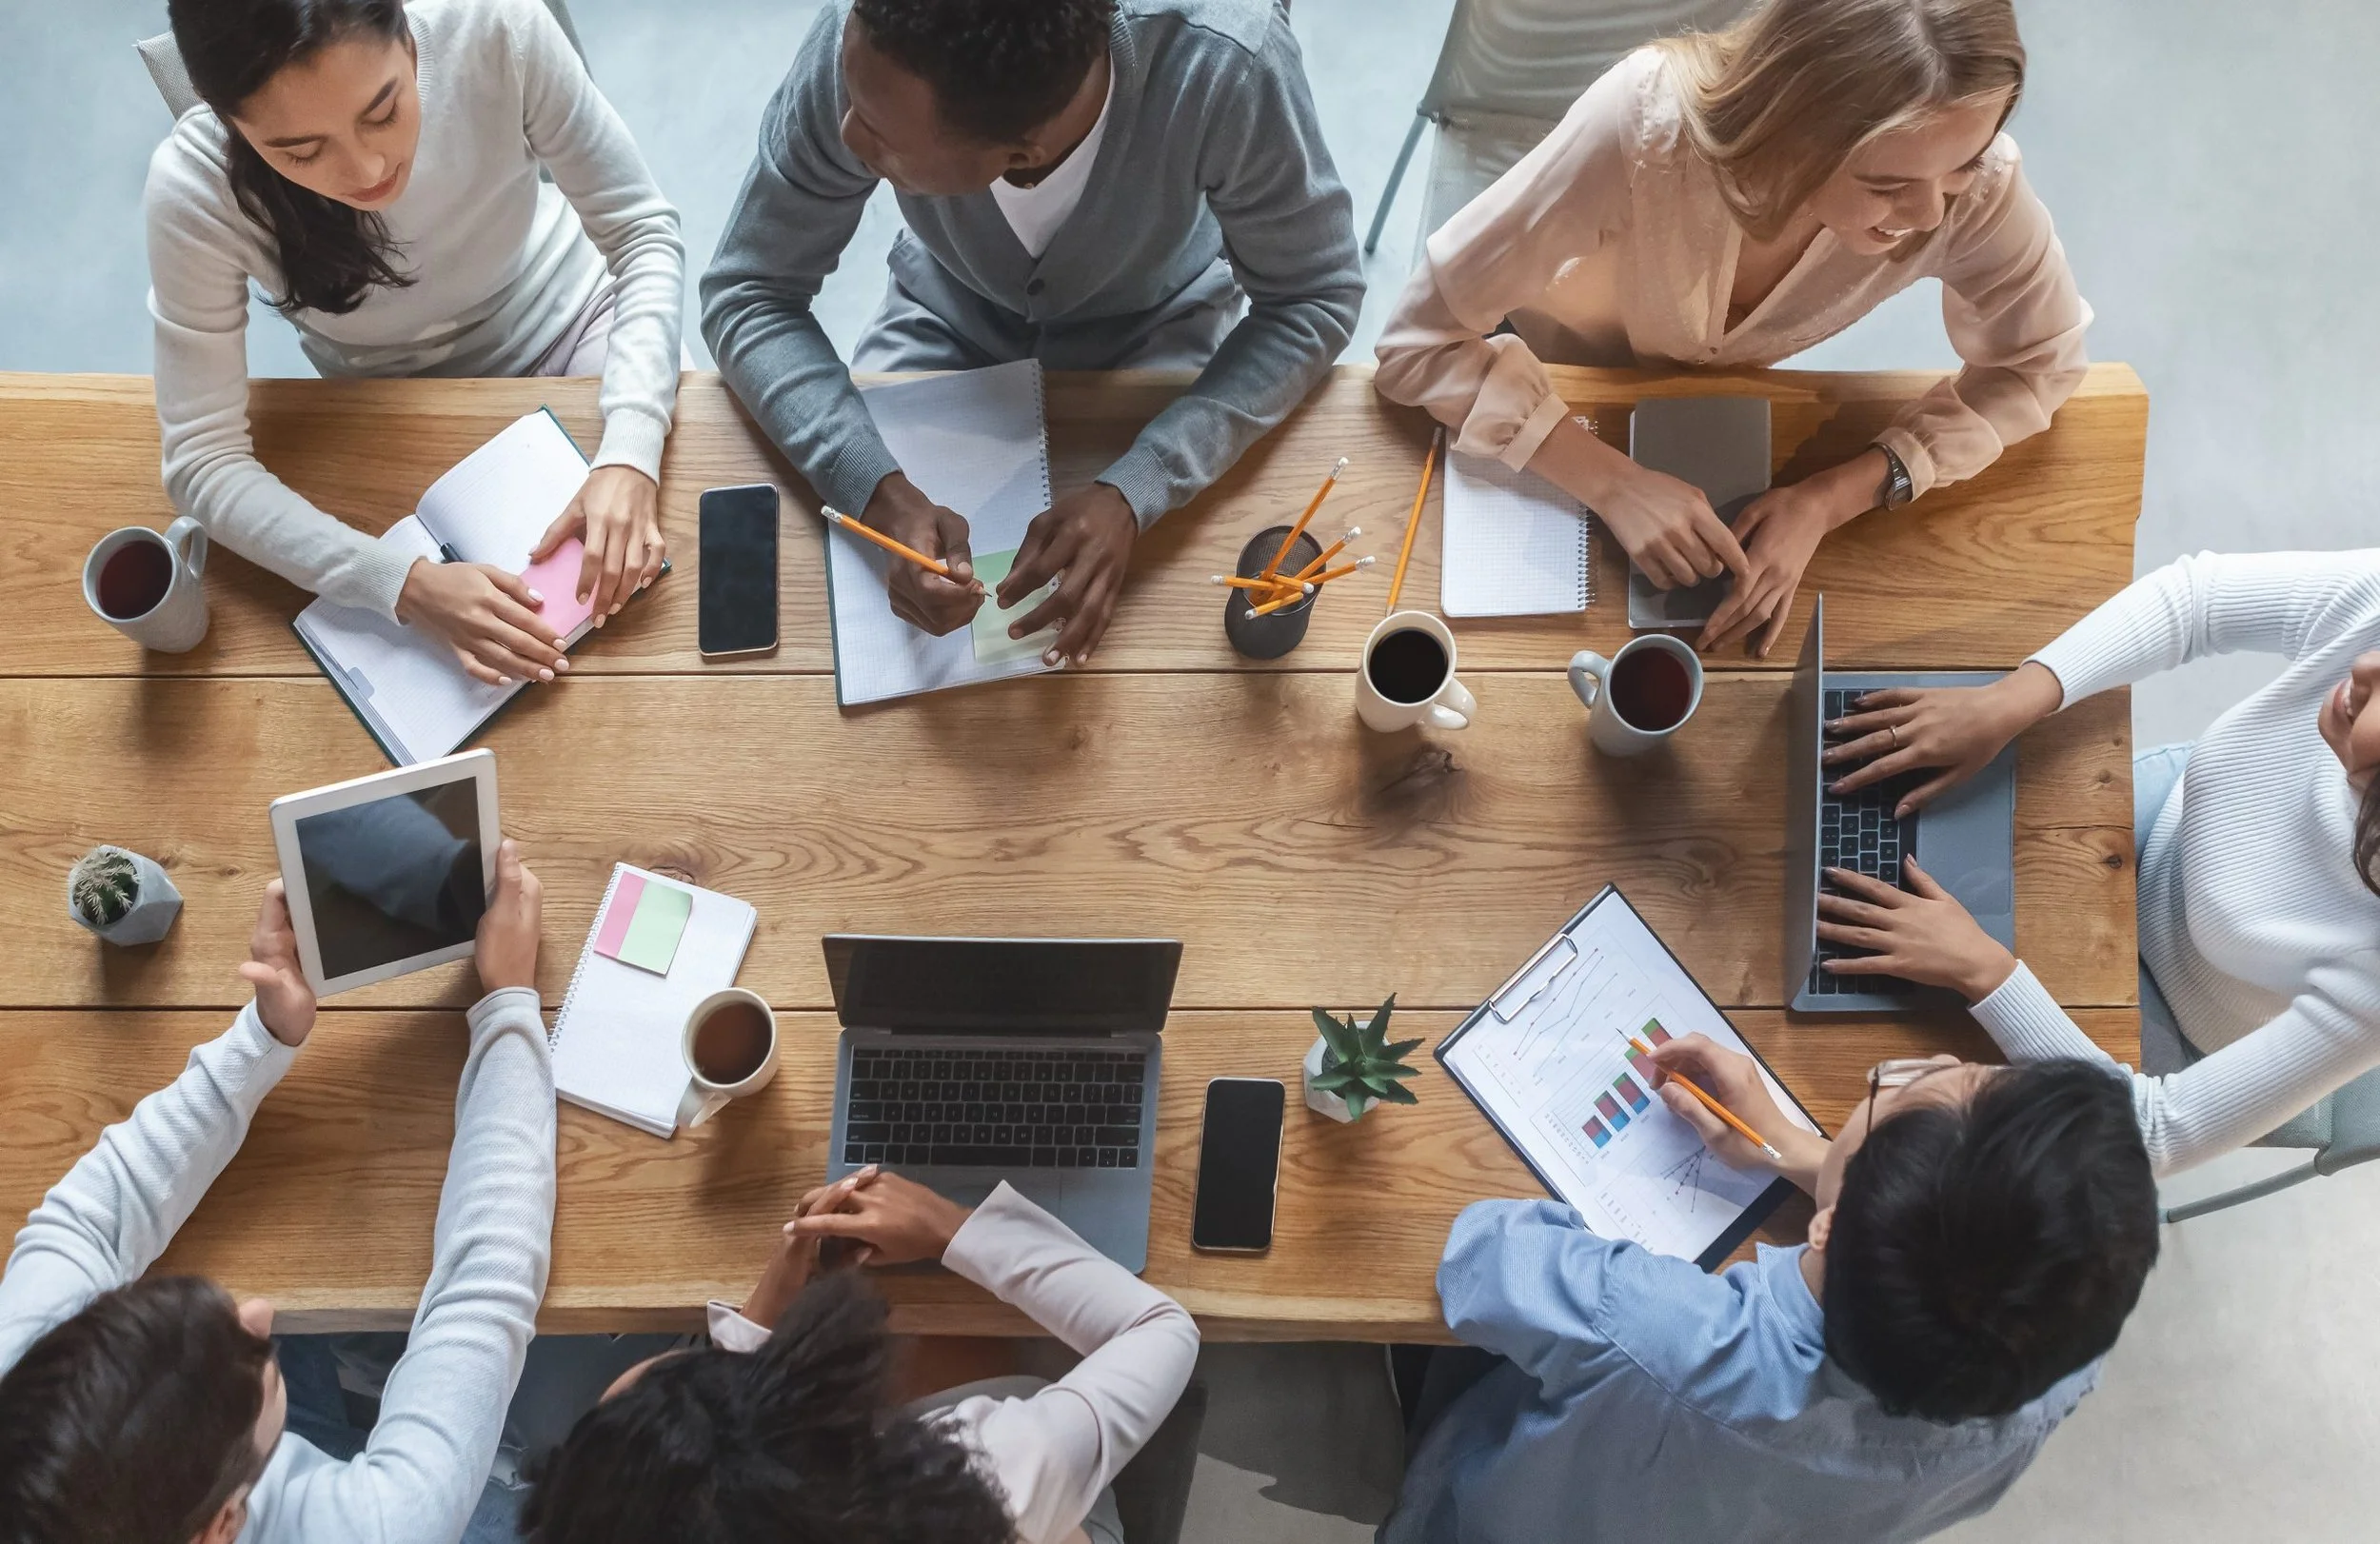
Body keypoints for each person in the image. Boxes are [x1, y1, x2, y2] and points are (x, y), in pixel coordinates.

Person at [1372, 0, 2091, 656]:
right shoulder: (1641, 128)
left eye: (1961, 166)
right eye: (1886, 185)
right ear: (1793, 130)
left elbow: (2044, 364)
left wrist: (1835, 496)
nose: (1931, 216)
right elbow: (1414, 346)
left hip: (1712, 419)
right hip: (1541, 376)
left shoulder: (1977, 187)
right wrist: (1612, 484)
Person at [704, 0, 1363, 667]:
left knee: (1156, 643)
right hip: (947, 306)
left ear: (1022, 153)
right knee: (889, 643)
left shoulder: (1228, 66)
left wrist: (1141, 484)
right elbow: (749, 293)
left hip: (1160, 321)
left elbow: (1314, 297)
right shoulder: (871, 40)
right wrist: (875, 492)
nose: (845, 135)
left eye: (882, 138)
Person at [1380, 1035, 2158, 1544]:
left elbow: (1482, 1257)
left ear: (1824, 1228)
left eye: (1901, 1092)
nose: (1936, 1061)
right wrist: (1794, 1152)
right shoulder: (2055, 1363)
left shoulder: (1651, 1330)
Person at [0, 843, 553, 1544]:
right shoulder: (381, 1529)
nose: (259, 1312)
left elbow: (91, 1221)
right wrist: (508, 1004)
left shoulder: (26, 1383)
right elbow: (484, 1293)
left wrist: (264, 1035)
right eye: (248, 1356)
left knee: (312, 1382)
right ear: (224, 1525)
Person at [151, 0, 685, 686]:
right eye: (302, 150)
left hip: (583, 323)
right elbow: (200, 461)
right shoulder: (195, 185)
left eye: (383, 111)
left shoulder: (494, 26)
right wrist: (403, 585)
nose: (369, 165)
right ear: (231, 121)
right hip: (389, 408)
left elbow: (642, 235)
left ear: (406, 35)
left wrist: (631, 451)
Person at [1814, 549, 2380, 1175]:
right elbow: (2193, 602)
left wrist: (1982, 971)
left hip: (2164, 1014)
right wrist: (2006, 701)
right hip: (2155, 825)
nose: (2364, 664)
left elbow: (2151, 1133)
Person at [521, 1168, 1200, 1544]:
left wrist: (766, 1310)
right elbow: (1161, 1328)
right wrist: (946, 1226)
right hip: (1034, 1523)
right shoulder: (980, 1474)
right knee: (966, 1343)